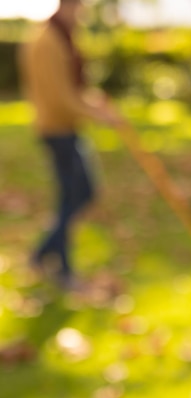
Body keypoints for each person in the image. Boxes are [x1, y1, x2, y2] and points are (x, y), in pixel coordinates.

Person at [18, 0, 121, 289]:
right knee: (71, 195)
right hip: (56, 128)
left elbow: (71, 89)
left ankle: (43, 254)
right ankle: (61, 267)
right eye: (79, 8)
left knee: (82, 192)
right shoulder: (47, 41)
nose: (82, 14)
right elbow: (59, 98)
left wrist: (91, 103)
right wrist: (96, 114)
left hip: (68, 127)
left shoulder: (61, 36)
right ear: (67, 6)